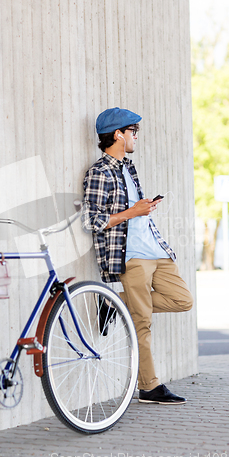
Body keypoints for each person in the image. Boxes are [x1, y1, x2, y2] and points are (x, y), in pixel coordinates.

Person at [82, 107, 194, 405]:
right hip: (130, 256)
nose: (136, 136)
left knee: (183, 300)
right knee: (141, 321)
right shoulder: (99, 172)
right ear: (118, 134)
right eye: (134, 130)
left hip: (155, 249)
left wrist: (143, 208)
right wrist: (134, 211)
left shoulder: (128, 168)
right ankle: (149, 387)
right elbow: (92, 220)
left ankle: (114, 302)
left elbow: (131, 211)